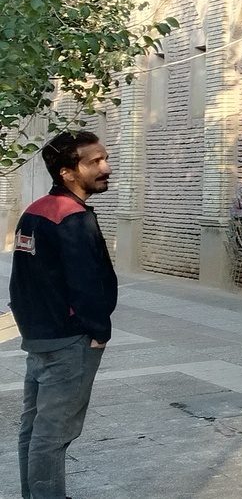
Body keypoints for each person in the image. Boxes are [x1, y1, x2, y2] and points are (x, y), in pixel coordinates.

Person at [10, 131, 118, 499]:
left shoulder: (36, 211)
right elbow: (87, 283)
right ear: (68, 173)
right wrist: (97, 330)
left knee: (34, 428)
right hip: (69, 341)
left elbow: (21, 281)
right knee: (52, 435)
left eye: (105, 158)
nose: (106, 167)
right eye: (94, 162)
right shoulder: (71, 218)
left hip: (40, 337)